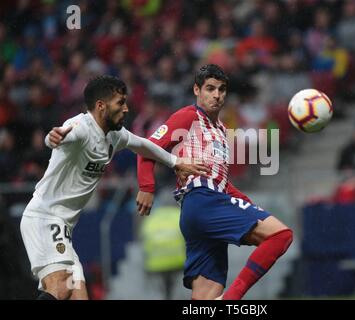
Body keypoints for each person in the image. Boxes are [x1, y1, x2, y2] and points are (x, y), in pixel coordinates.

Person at [20, 75, 210, 300]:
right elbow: (60, 134)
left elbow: (142, 145)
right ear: (101, 106)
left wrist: (176, 162)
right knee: (60, 285)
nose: (127, 108)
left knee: (78, 296)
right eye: (120, 102)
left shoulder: (114, 135)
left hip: (63, 227)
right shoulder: (80, 127)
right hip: (45, 218)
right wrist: (52, 139)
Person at [136, 64, 293, 300]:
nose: (217, 95)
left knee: (205, 298)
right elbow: (146, 148)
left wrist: (246, 203)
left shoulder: (221, 129)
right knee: (281, 236)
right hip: (204, 202)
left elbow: (222, 182)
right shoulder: (188, 116)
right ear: (196, 90)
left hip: (200, 212)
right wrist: (147, 187)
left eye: (221, 89)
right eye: (210, 88)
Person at [140, 205, 185, 300]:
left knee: (161, 291)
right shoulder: (179, 215)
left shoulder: (151, 219)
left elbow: (144, 240)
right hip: (177, 261)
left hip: (155, 263)